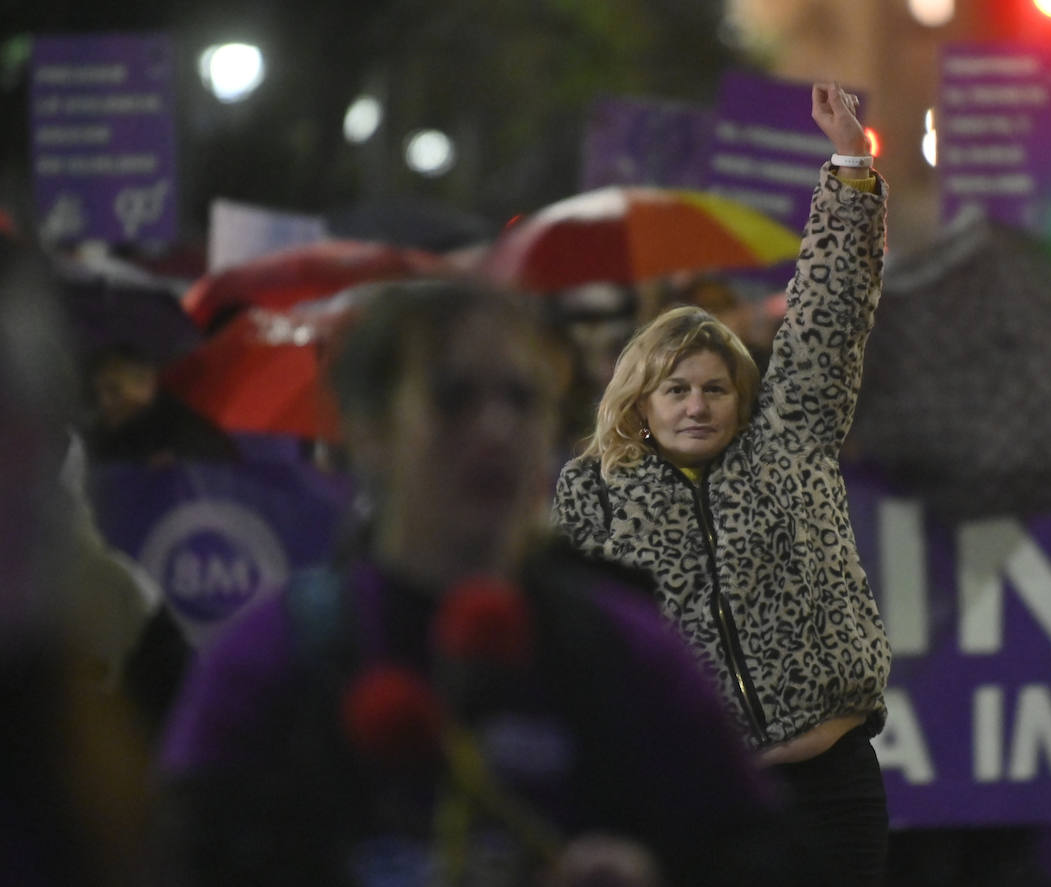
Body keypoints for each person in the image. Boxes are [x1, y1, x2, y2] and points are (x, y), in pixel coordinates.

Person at [153, 279, 807, 887]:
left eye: (522, 400)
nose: (496, 430)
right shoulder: (271, 659)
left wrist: (652, 870)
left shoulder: (629, 651)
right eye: (452, 398)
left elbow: (757, 854)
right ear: (370, 430)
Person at [552, 82, 893, 885]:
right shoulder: (592, 492)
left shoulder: (790, 440)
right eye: (677, 389)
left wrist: (848, 163)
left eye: (714, 387)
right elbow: (584, 651)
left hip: (832, 790)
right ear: (640, 401)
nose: (697, 404)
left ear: (743, 395)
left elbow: (829, 307)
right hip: (706, 797)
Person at [84, 344, 239, 465]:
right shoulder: (100, 440)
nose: (104, 402)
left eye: (114, 390)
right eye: (96, 394)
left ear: (146, 384)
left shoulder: (187, 438)